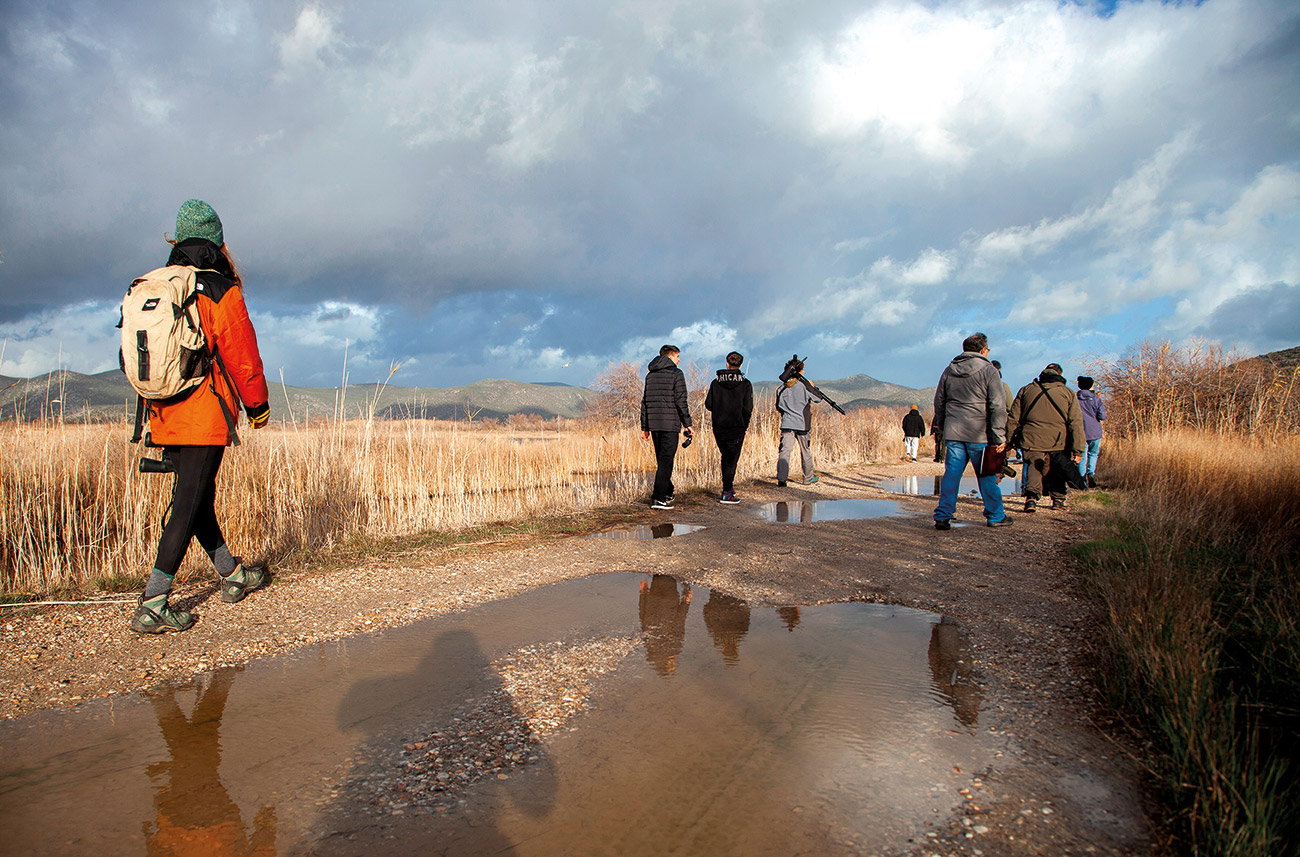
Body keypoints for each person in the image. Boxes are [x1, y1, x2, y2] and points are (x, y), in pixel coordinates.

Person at [130, 199, 271, 634]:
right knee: (188, 503)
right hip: (203, 412)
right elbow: (242, 356)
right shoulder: (216, 289)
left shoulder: (156, 285)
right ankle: (153, 603)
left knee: (197, 497)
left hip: (162, 410)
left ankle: (232, 576)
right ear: (216, 242)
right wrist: (258, 408)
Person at [931, 332, 1011, 529]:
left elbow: (939, 401)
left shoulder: (949, 370)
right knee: (986, 475)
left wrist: (942, 425)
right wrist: (1000, 435)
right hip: (980, 432)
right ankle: (995, 515)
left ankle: (943, 515)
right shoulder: (989, 370)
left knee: (952, 474)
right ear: (983, 350)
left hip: (954, 431)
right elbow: (997, 406)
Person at [1008, 363, 1086, 512]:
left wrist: (1009, 440)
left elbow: (1013, 418)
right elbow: (1075, 423)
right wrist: (1078, 450)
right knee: (1057, 468)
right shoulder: (1067, 393)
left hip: (1031, 437)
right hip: (1058, 439)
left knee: (1033, 465)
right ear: (1060, 376)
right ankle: (1058, 500)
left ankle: (1031, 498)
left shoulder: (1026, 390)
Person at [640, 344, 692, 510]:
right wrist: (688, 424)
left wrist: (645, 426)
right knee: (666, 462)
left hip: (655, 425)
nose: (679, 360)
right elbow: (680, 401)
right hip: (670, 424)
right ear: (671, 357)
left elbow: (645, 402)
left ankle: (668, 491)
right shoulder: (677, 374)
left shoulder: (650, 375)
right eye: (677, 357)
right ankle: (658, 498)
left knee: (662, 461)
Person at [704, 351, 753, 504]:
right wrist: (744, 424)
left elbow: (709, 405)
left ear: (727, 363)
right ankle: (727, 491)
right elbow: (748, 408)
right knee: (731, 459)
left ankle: (728, 489)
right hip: (736, 427)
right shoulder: (745, 384)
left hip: (719, 426)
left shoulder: (715, 382)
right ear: (740, 364)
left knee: (726, 456)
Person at [775, 356, 821, 486]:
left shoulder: (781, 388)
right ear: (799, 371)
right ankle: (808, 478)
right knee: (805, 450)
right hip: (802, 423)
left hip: (787, 423)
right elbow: (818, 399)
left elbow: (778, 407)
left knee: (785, 451)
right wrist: (813, 386)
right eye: (802, 371)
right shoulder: (804, 386)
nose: (804, 373)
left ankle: (782, 479)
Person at [1076, 376, 1106, 487]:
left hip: (1080, 431)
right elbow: (1102, 416)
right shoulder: (1096, 400)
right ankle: (1091, 472)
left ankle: (1082, 482)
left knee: (1082, 456)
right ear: (1091, 386)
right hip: (1095, 431)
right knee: (1093, 454)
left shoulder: (1075, 400)